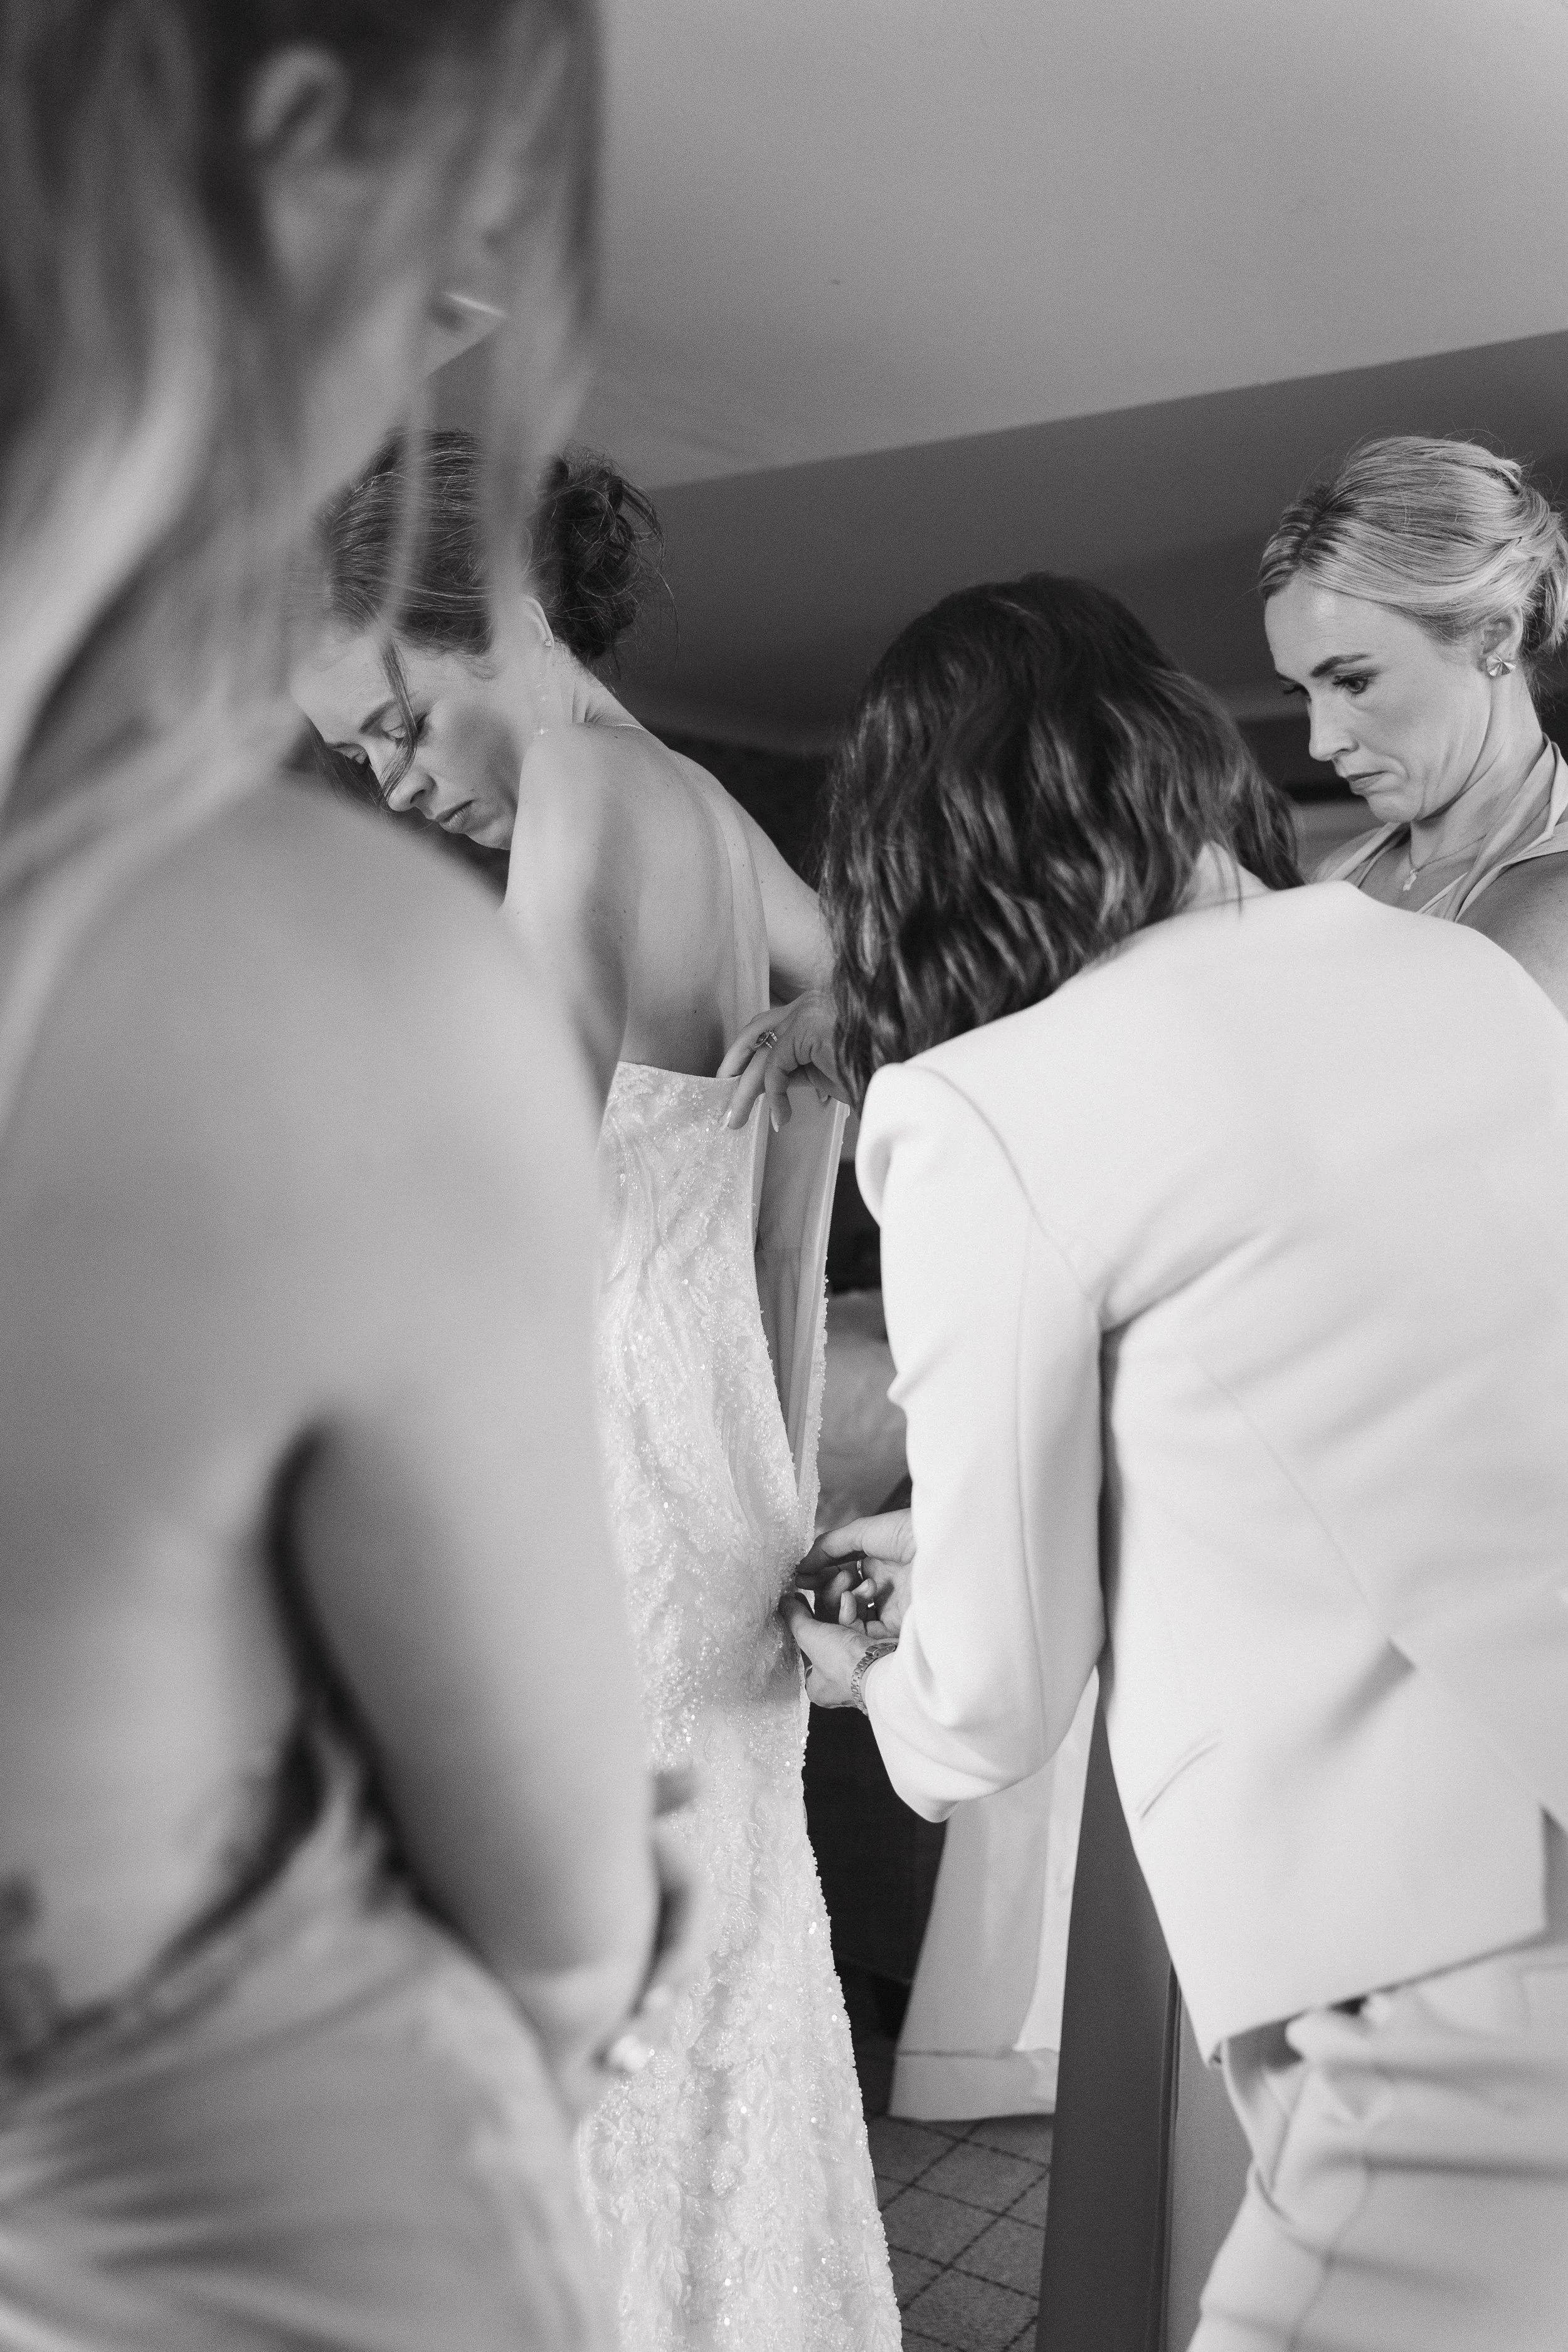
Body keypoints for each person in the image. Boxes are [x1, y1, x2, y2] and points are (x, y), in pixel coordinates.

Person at [0, 7, 699, 2348]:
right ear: (297, 145)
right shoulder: (298, 981)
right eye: (473, 222)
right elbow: (565, 1920)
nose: (471, 307)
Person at [788, 573, 1568, 2351]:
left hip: (1431, 1949)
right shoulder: (1455, 969)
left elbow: (986, 1702)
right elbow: (1362, 1392)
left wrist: (867, 1676)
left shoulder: (981, 1100)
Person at [294, 431, 901, 2351]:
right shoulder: (734, 838)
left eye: (390, 715)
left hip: (594, 1496)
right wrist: (840, 1016)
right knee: (710, 1953)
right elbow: (835, 1137)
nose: (391, 773)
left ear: (492, 613)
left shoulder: (571, 788)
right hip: (713, 1480)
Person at [1262, 435, 1568, 1011]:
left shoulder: (1556, 901)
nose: (1321, 743)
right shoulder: (1332, 876)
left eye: (1353, 682)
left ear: (1493, 637)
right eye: (1301, 692)